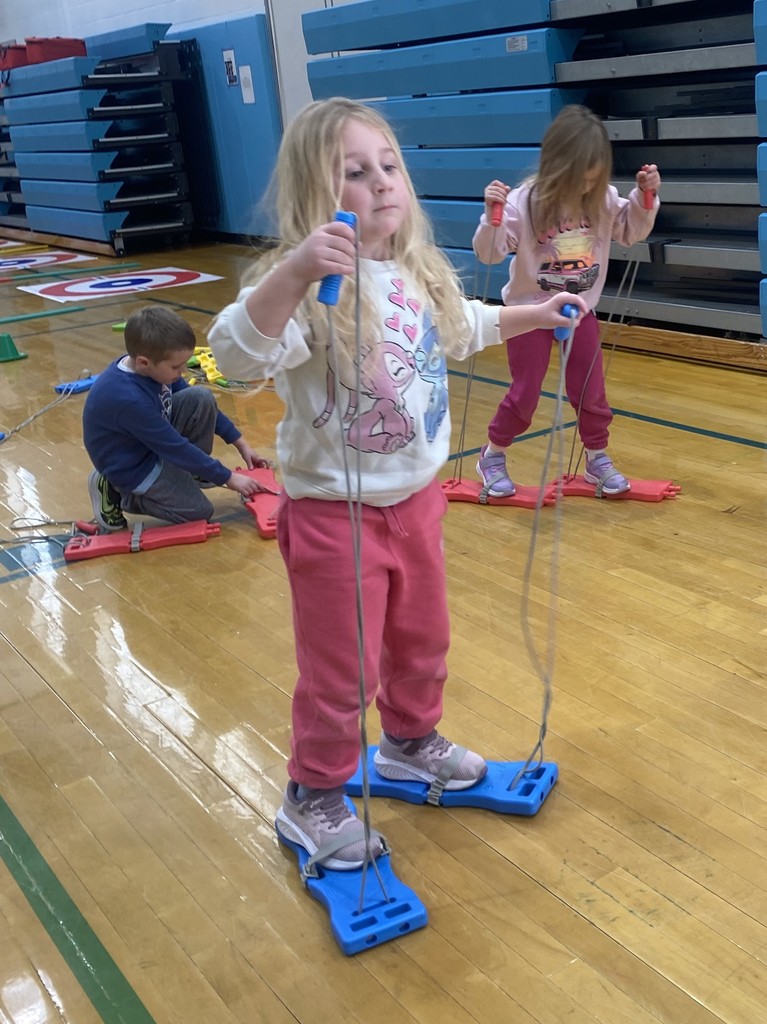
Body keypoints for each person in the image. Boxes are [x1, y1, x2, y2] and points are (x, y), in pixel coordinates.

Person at [208, 97, 588, 871]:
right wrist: (296, 271)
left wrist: (535, 311)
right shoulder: (306, 287)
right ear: (316, 194)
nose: (381, 182)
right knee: (341, 671)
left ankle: (410, 744)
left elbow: (465, 327)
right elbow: (236, 358)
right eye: (355, 171)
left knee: (422, 643)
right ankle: (311, 796)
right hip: (333, 518)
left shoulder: (413, 272)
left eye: (388, 166)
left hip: (416, 502)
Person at [473, 104, 661, 497]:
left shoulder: (603, 199)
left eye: (592, 182)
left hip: (579, 312)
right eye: (578, 182)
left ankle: (596, 459)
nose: (584, 191)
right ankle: (492, 455)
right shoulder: (524, 202)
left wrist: (645, 197)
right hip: (530, 313)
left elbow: (630, 231)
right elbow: (489, 254)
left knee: (591, 391)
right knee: (525, 393)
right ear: (555, 167)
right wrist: (491, 217)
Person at [83, 305, 269, 531]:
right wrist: (228, 478)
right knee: (199, 512)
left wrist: (241, 443)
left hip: (147, 443)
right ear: (143, 362)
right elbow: (174, 447)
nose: (183, 372)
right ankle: (119, 491)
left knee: (200, 397)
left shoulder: (153, 369)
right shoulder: (129, 399)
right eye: (176, 367)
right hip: (132, 465)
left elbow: (192, 408)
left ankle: (191, 472)